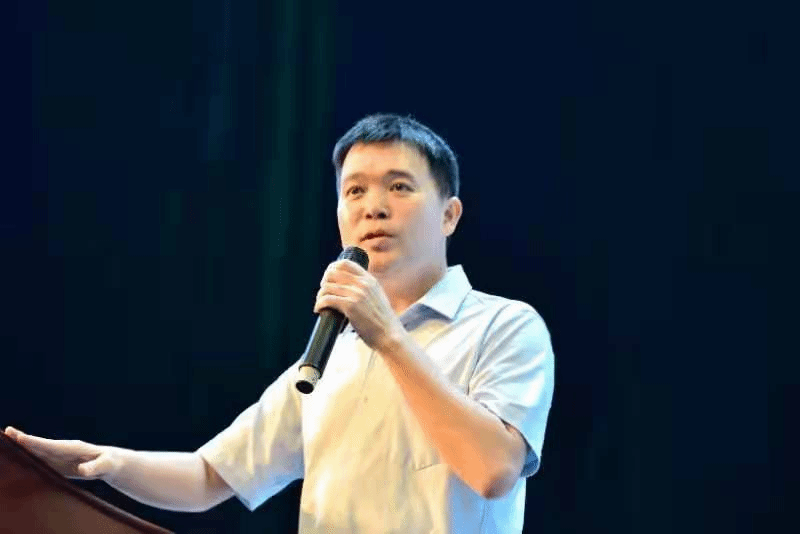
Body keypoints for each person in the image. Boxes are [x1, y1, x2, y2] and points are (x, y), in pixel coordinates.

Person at [4, 114, 555, 533]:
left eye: (399, 186)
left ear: (449, 214)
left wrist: (387, 335)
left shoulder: (504, 325)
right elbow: (209, 477)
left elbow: (493, 471)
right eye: (355, 191)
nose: (373, 207)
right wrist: (100, 464)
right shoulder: (331, 354)